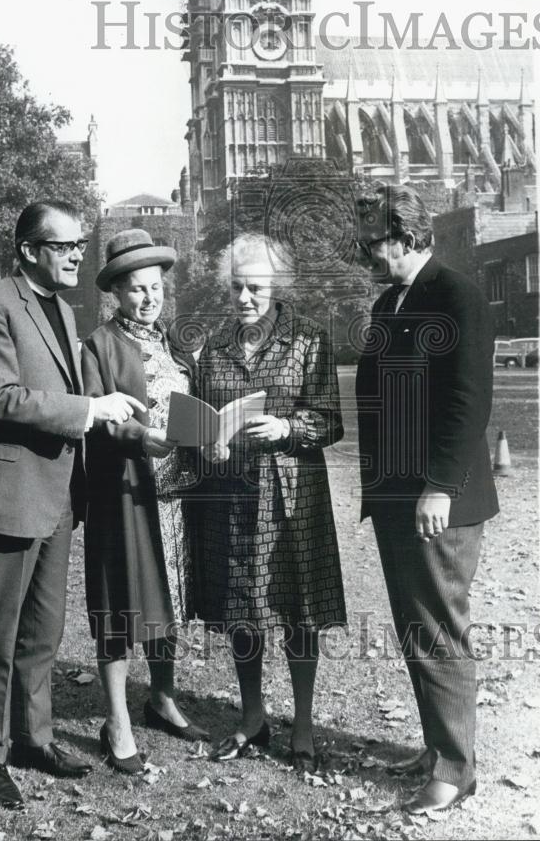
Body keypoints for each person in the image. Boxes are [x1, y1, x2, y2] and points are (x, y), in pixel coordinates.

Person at [0, 201, 145, 808]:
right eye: (65, 246)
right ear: (30, 250)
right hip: (9, 489)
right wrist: (90, 410)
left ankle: (34, 737)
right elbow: (0, 395)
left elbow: (73, 393)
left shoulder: (62, 307)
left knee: (44, 629)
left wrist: (126, 412)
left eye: (81, 245)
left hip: (58, 491)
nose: (78, 255)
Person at [354, 184, 499, 814]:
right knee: (418, 630)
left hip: (438, 500)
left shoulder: (457, 295)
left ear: (408, 236)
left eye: (372, 243)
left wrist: (439, 485)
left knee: (440, 632)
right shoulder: (393, 301)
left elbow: (467, 403)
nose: (365, 255)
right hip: (397, 499)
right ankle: (437, 747)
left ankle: (454, 771)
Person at [188, 232, 346, 774]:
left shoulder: (309, 340)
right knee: (242, 609)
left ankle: (302, 722)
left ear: (277, 287)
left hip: (291, 494)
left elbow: (331, 420)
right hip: (230, 493)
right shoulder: (213, 345)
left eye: (254, 288)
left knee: (299, 608)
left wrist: (287, 425)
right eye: (236, 288)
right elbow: (203, 416)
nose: (244, 299)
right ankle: (253, 717)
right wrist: (209, 438)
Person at [81, 228, 209, 775]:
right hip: (127, 493)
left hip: (178, 494)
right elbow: (96, 417)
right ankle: (117, 720)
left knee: (169, 602)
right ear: (116, 292)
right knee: (120, 604)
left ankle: (162, 698)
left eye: (155, 287)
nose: (149, 298)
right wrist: (140, 435)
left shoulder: (173, 341)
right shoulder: (100, 345)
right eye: (136, 289)